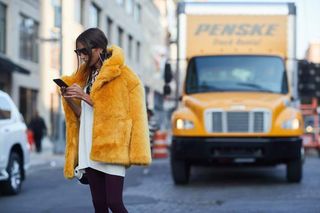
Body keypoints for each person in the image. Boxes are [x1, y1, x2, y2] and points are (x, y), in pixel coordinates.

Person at [59, 28, 151, 213]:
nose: (81, 56)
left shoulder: (123, 76)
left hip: (112, 148)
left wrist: (85, 97)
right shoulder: (87, 78)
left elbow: (120, 112)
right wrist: (70, 98)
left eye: (84, 51)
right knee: (99, 205)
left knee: (115, 203)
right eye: (78, 52)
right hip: (89, 148)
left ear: (98, 49)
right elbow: (82, 115)